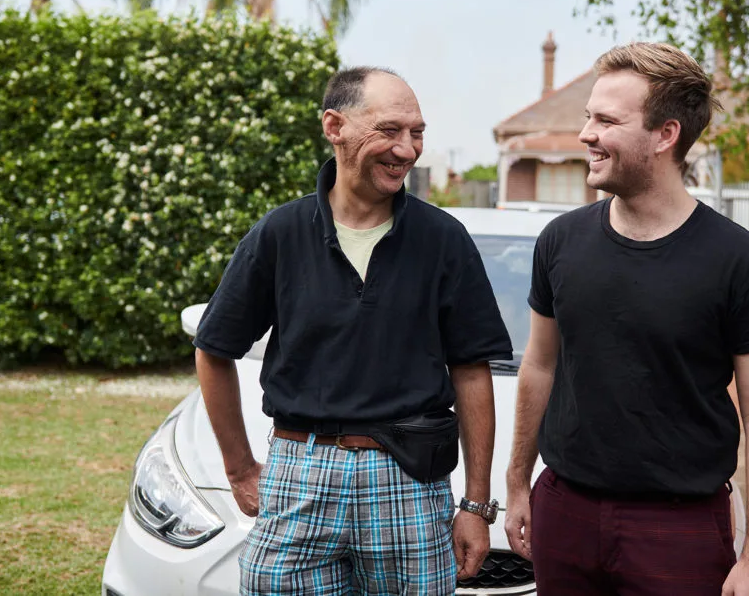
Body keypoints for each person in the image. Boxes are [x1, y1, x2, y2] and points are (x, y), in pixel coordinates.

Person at [193, 66, 513, 595]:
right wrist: (238, 468)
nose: (407, 150)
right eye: (390, 130)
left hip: (409, 482)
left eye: (417, 133)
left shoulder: (444, 240)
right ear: (334, 126)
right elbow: (213, 348)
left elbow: (472, 370)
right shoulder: (279, 234)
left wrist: (475, 505)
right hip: (299, 472)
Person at [504, 42, 749, 596]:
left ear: (665, 136)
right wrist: (519, 481)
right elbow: (539, 366)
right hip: (563, 509)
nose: (586, 133)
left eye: (606, 120)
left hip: (678, 527)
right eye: (588, 116)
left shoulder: (743, 263)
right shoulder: (560, 242)